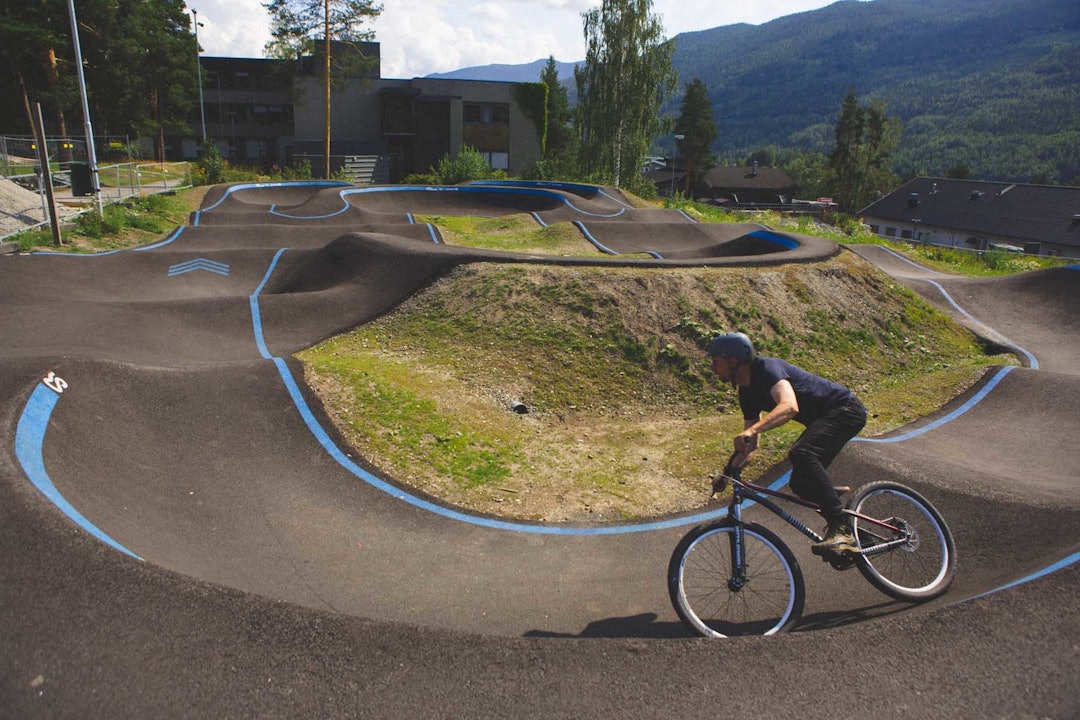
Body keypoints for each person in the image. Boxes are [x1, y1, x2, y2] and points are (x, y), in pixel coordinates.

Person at [707, 331, 867, 556]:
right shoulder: (746, 394)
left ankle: (842, 530)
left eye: (716, 362)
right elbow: (751, 447)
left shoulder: (767, 369)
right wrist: (728, 473)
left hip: (845, 409)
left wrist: (752, 430)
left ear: (733, 360)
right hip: (827, 418)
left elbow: (789, 406)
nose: (713, 368)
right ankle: (847, 521)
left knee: (802, 453)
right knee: (800, 485)